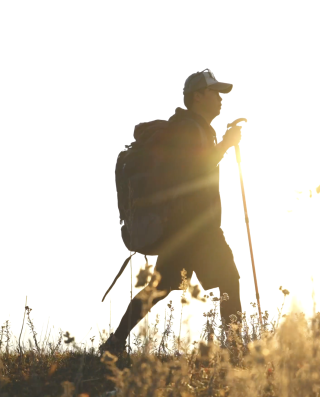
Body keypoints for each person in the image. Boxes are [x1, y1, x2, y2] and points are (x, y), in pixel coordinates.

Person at [101, 69, 243, 353]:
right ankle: (236, 347)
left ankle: (114, 343)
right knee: (228, 278)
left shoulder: (195, 128)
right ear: (198, 96)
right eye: (214, 93)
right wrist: (227, 145)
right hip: (195, 227)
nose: (219, 99)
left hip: (183, 227)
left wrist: (223, 143)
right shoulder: (188, 129)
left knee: (160, 288)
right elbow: (192, 171)